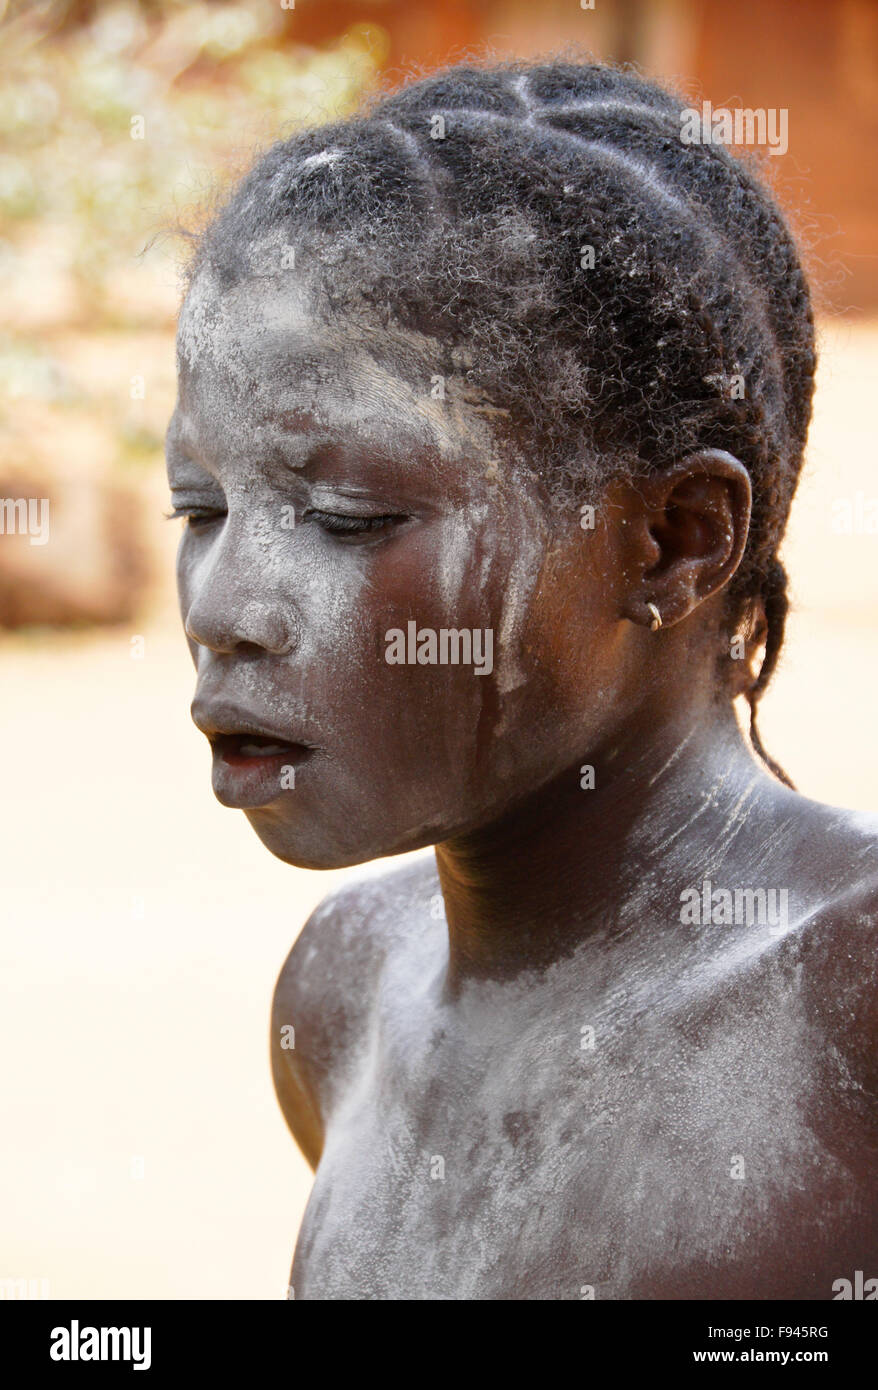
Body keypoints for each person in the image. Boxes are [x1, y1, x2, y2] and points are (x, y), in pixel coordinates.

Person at [165, 58, 878, 1299]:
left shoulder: (852, 1005)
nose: (226, 611)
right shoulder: (342, 992)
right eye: (201, 505)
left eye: (344, 515)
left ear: (673, 539)